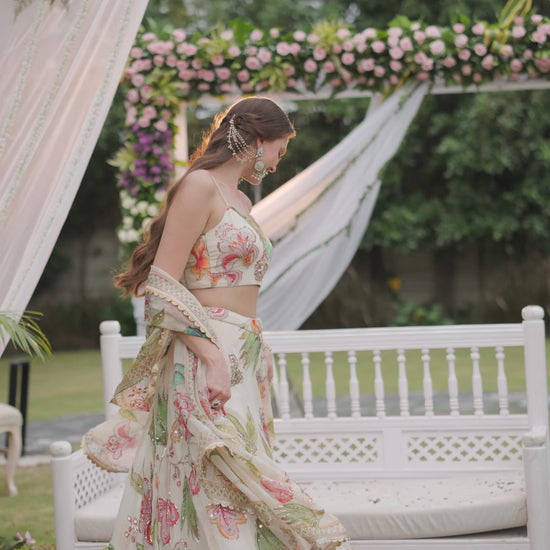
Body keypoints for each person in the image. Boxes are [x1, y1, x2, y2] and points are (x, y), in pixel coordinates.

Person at [82, 97, 350, 549]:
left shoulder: (241, 199)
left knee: (238, 479)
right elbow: (162, 285)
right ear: (258, 140)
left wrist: (252, 350)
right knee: (212, 476)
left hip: (243, 353)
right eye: (279, 151)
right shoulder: (199, 186)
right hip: (202, 352)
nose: (277, 164)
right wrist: (211, 356)